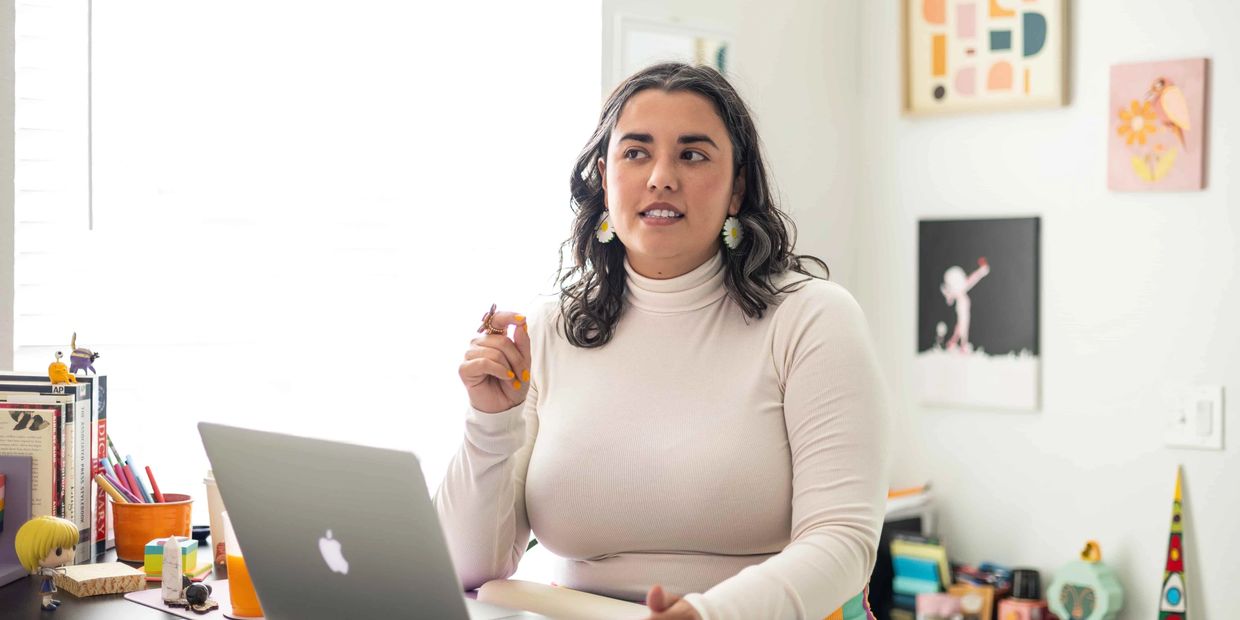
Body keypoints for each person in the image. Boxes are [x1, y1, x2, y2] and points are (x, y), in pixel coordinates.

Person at [436, 62, 891, 620]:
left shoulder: (810, 318)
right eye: (636, 152)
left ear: (737, 187)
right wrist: (491, 423)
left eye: (692, 155)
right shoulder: (553, 327)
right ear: (604, 180)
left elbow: (843, 542)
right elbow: (467, 570)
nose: (661, 178)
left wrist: (708, 615)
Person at [14, 515, 78, 611]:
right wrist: (57, 574)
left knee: (51, 591)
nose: (69, 554)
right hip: (46, 582)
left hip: (50, 581)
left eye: (73, 547)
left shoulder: (50, 568)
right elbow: (49, 572)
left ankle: (50, 601)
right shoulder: (45, 570)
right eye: (59, 551)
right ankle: (46, 604)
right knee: (47, 592)